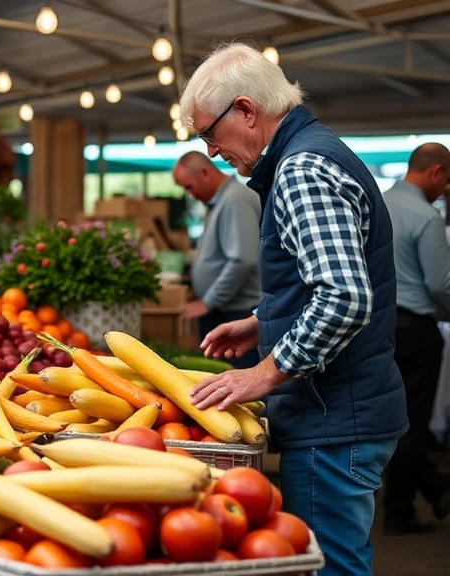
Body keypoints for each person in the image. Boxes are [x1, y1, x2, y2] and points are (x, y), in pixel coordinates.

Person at [180, 43, 408, 576]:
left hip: (335, 416)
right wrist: (262, 322)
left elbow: (344, 298)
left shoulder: (302, 168)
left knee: (331, 565)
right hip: (345, 408)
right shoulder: (311, 153)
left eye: (209, 133)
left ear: (245, 110)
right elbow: (336, 278)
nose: (211, 152)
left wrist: (266, 371)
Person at [381, 142, 450, 535]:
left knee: (390, 415)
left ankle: (431, 486)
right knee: (411, 422)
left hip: (376, 327)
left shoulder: (377, 202)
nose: (445, 191)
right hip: (416, 330)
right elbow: (441, 283)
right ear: (437, 172)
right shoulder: (426, 216)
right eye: (447, 182)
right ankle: (400, 511)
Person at [172, 152, 261, 368]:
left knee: (240, 389)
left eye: (189, 187)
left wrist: (209, 301)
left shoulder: (234, 200)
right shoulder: (221, 200)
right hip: (226, 311)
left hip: (237, 313)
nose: (190, 195)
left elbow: (242, 259)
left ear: (205, 173)